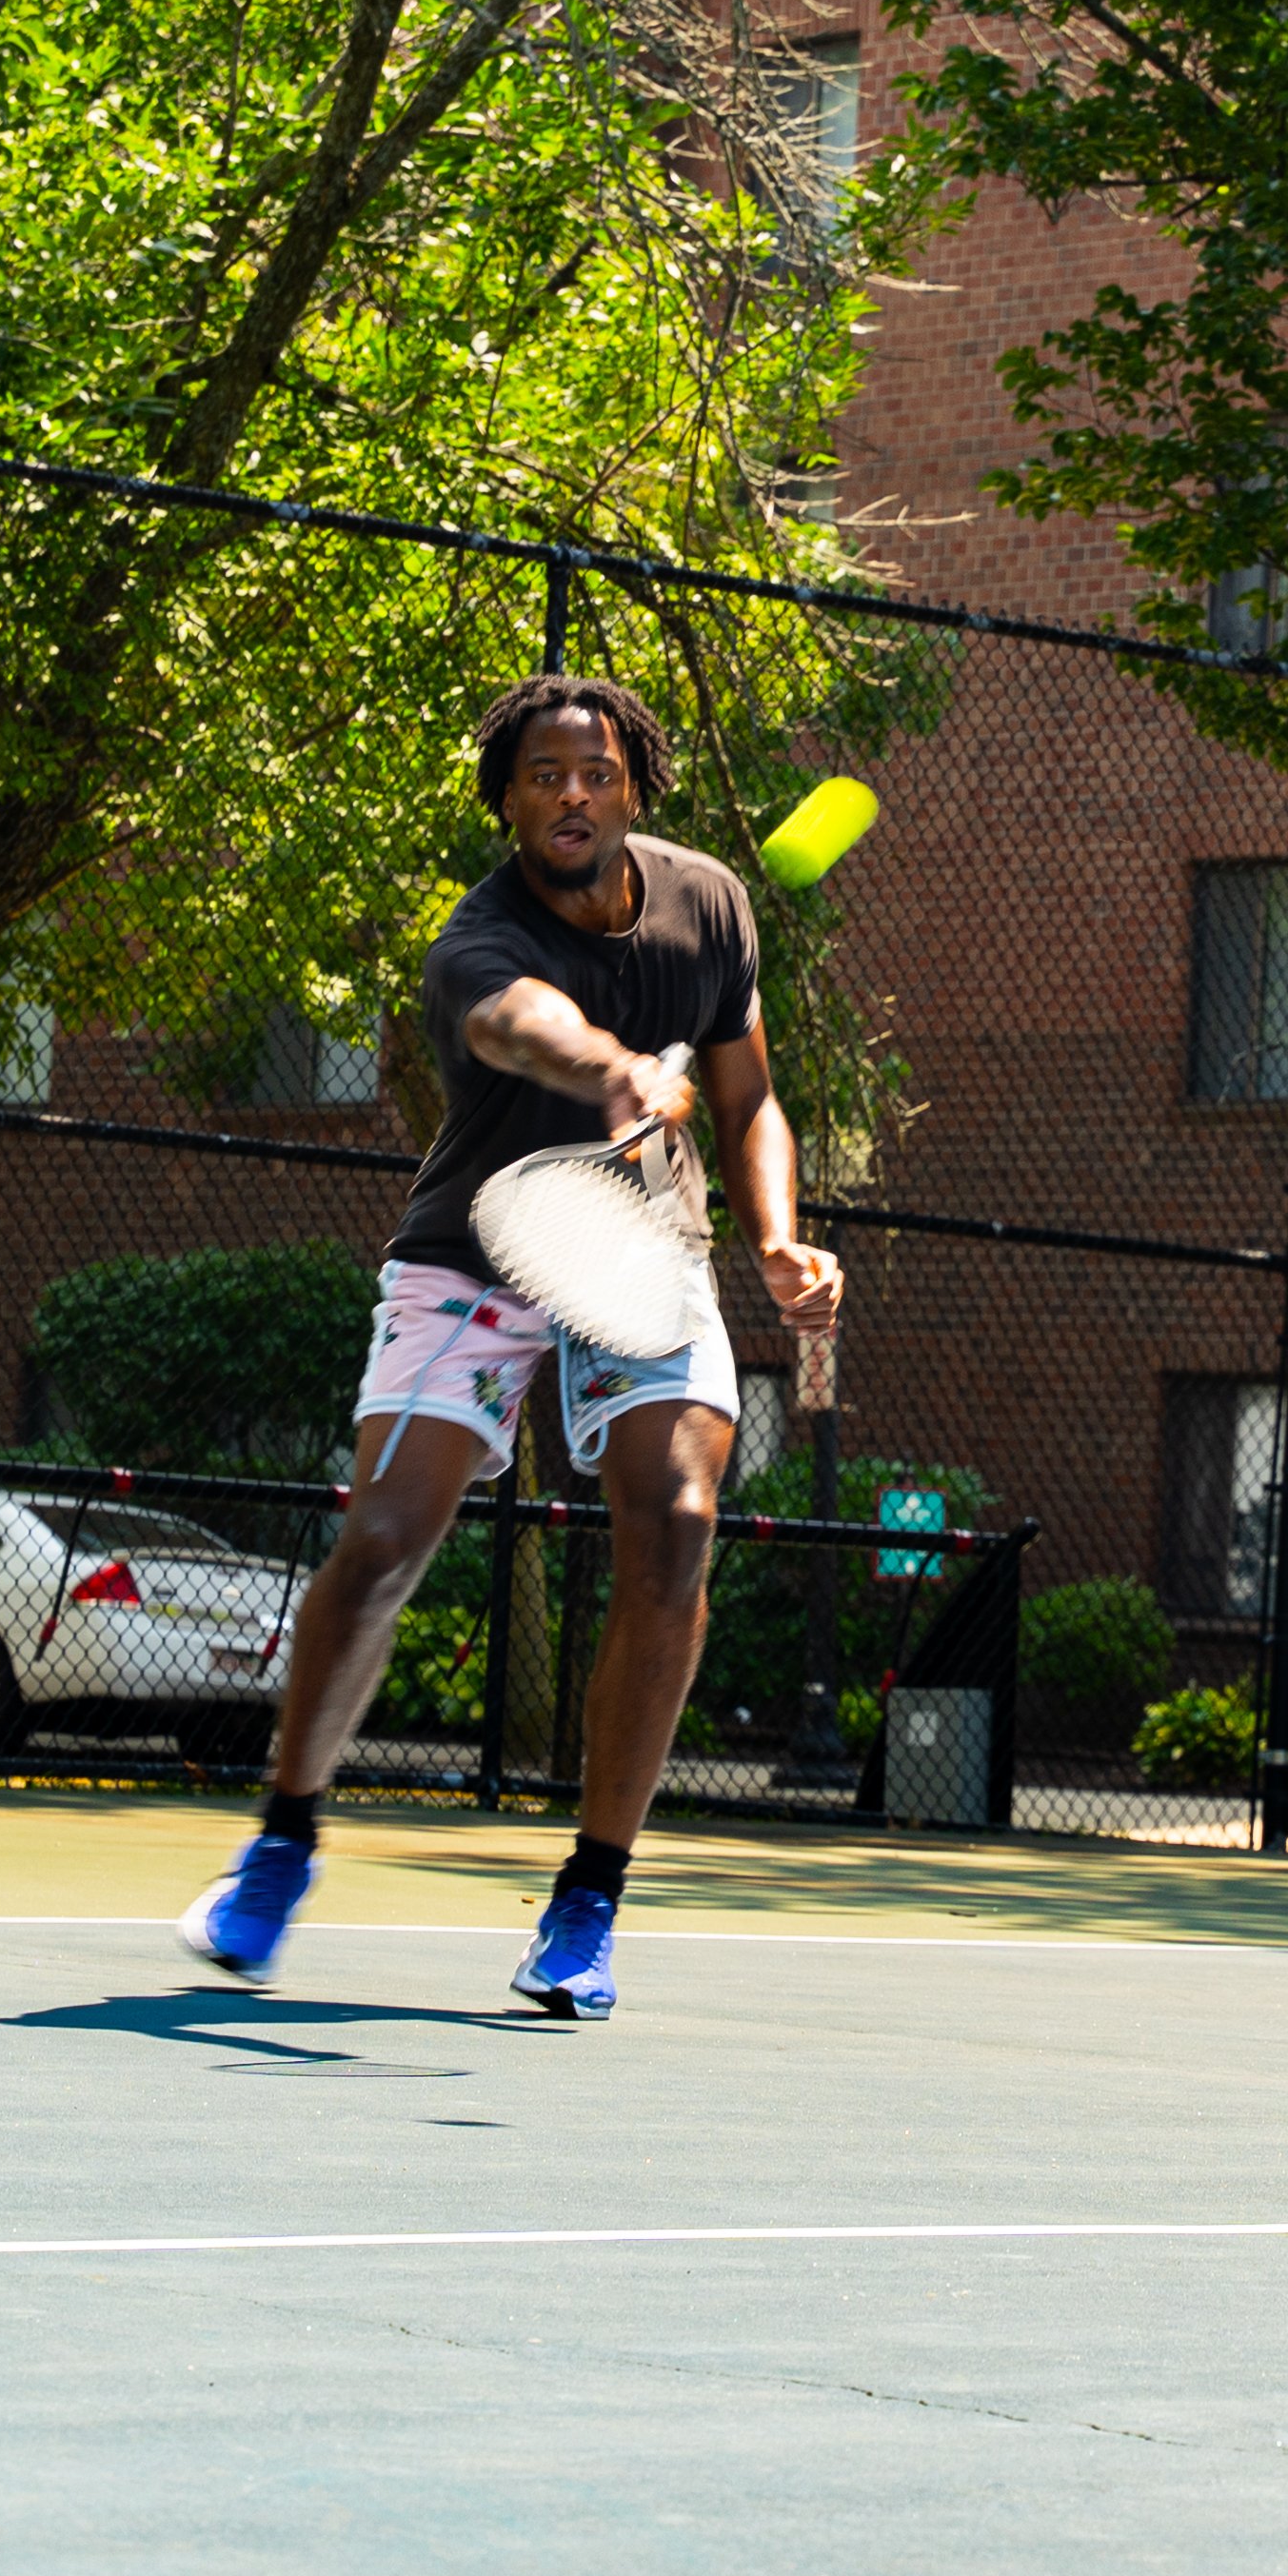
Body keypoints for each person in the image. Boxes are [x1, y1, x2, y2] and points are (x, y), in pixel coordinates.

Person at [176, 675, 842, 2014]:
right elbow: (513, 1025)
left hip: (643, 1258)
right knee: (383, 1542)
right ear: (509, 803)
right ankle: (282, 1845)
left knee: (677, 1515)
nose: (571, 794)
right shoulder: (476, 942)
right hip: (481, 1251)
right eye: (542, 776)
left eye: (594, 771)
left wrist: (773, 1233)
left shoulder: (709, 900)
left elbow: (749, 1089)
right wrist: (607, 1068)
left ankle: (589, 1899)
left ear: (634, 787)